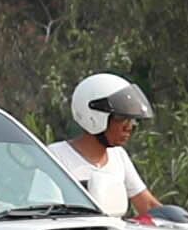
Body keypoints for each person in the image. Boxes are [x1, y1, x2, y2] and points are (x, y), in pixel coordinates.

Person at [48, 75, 164, 222]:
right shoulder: (55, 156)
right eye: (121, 117)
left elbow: (147, 204)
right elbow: (42, 213)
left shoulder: (118, 156)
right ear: (94, 116)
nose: (129, 127)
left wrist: (182, 224)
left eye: (131, 120)